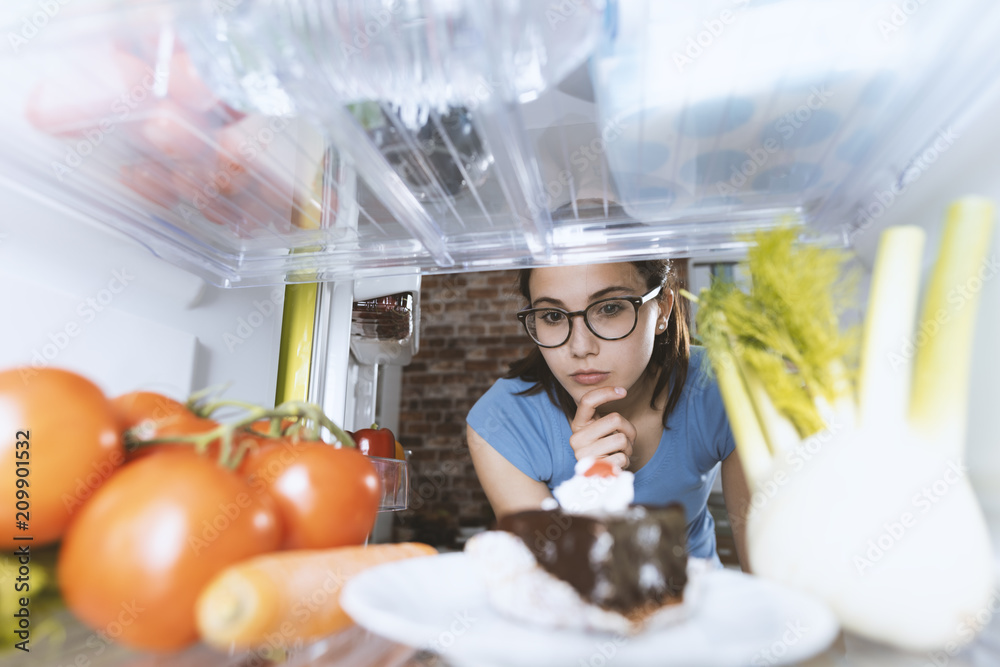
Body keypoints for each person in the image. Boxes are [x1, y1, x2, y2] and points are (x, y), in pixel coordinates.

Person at [466, 256, 750, 570]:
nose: (580, 347)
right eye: (552, 315)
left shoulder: (722, 385)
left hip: (701, 607)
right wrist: (593, 489)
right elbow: (553, 584)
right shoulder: (502, 421)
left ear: (663, 309)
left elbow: (771, 574)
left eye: (610, 308)